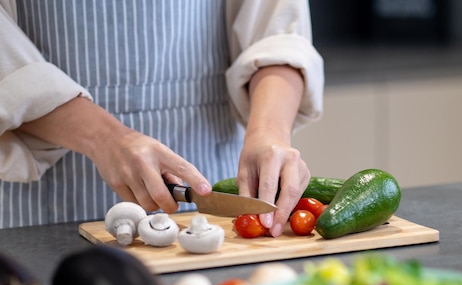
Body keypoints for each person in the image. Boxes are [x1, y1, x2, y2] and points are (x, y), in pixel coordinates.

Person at [0, 0, 324, 237]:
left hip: (212, 169)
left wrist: (269, 132)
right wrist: (104, 138)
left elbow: (277, 31)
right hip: (41, 201)